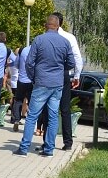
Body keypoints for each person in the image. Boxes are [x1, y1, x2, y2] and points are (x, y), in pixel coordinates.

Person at [14, 15, 75, 157]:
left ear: (45, 25)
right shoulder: (65, 42)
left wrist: (33, 76)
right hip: (57, 84)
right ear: (58, 26)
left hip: (41, 82)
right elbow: (71, 63)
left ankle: (23, 148)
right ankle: (49, 150)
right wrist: (60, 69)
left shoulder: (39, 40)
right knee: (53, 116)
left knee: (32, 116)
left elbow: (29, 62)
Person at [52, 12, 83, 151]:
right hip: (64, 74)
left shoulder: (45, 37)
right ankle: (68, 142)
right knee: (65, 109)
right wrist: (76, 76)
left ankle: (48, 142)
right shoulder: (69, 37)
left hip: (49, 75)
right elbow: (77, 58)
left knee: (49, 109)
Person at [12, 45, 32, 132]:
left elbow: (16, 65)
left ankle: (16, 120)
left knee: (18, 100)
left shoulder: (22, 50)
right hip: (32, 81)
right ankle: (30, 123)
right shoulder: (38, 51)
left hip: (21, 80)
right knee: (32, 103)